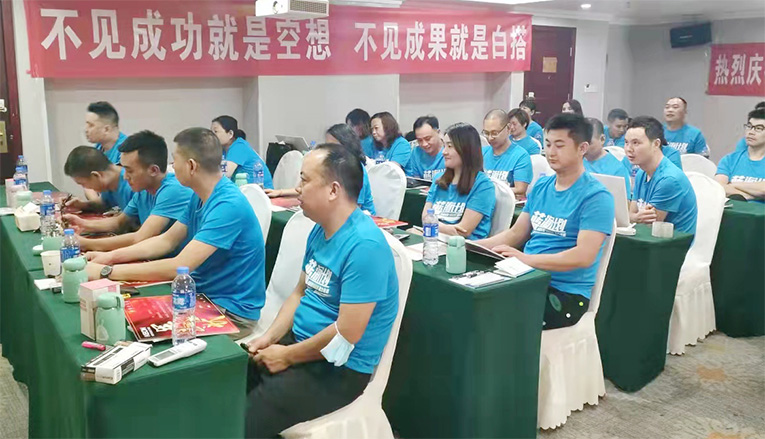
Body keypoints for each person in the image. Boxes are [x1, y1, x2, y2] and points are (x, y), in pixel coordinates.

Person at [243, 143, 398, 438]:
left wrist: (287, 356)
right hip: (301, 345)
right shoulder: (320, 228)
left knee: (245, 418)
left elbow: (346, 334)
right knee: (228, 385)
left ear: (333, 190)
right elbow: (300, 292)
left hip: (339, 368)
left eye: (305, 179)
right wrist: (268, 338)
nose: (297, 188)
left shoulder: (365, 246)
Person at [85, 128, 266, 336]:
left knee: (129, 331)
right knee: (123, 317)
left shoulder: (227, 205)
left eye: (175, 159)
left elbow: (179, 266)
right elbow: (166, 241)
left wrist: (106, 272)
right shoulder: (199, 196)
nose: (172, 165)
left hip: (229, 312)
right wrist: (109, 257)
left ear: (191, 166)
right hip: (200, 296)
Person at [476, 113, 614, 330]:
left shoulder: (596, 197)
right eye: (548, 144)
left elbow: (584, 256)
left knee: (496, 314)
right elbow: (515, 234)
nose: (551, 152)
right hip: (527, 277)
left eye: (559, 145)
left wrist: (526, 259)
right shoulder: (542, 186)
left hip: (566, 294)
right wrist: (470, 246)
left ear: (582, 148)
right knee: (476, 299)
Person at [64, 131, 194, 252]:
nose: (125, 177)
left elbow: (140, 237)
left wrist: (86, 243)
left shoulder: (173, 190)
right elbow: (118, 223)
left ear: (153, 170)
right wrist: (83, 224)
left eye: (129, 170)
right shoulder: (143, 190)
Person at [266, 124, 377, 215]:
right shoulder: (332, 165)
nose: (328, 150)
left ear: (346, 145)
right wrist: (279, 192)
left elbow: (353, 208)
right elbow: (305, 188)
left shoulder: (356, 169)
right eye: (326, 145)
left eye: (332, 146)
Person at [423, 122, 496, 240]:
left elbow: (463, 231)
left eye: (450, 146)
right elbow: (425, 218)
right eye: (444, 146)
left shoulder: (483, 185)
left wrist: (433, 226)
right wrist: (447, 229)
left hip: (463, 247)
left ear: (466, 149)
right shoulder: (438, 179)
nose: (444, 152)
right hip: (435, 241)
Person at [626, 116, 697, 234]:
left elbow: (650, 226)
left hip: (672, 242)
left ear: (656, 144)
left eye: (636, 143)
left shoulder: (669, 179)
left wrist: (634, 218)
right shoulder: (641, 173)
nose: (629, 149)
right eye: (626, 142)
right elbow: (632, 214)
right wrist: (635, 217)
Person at [715, 108, 765, 202]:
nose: (751, 132)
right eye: (749, 126)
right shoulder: (729, 160)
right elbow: (718, 187)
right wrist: (751, 195)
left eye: (758, 128)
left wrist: (733, 185)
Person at [63, 146, 134, 212]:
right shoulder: (111, 183)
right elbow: (103, 204)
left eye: (83, 184)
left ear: (96, 175)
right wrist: (82, 205)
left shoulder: (132, 185)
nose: (86, 188)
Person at [212, 115, 273, 189]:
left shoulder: (239, 146)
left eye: (215, 132)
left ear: (230, 134)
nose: (212, 136)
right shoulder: (223, 149)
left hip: (261, 191)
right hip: (244, 189)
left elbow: (225, 173)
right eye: (211, 132)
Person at [482, 109, 533, 197]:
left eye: (495, 133)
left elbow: (520, 190)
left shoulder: (520, 156)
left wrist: (487, 190)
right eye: (486, 133)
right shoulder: (482, 153)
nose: (490, 138)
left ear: (508, 129)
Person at [584, 118, 632, 198]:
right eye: (579, 143)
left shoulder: (617, 169)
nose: (583, 148)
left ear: (602, 139)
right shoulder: (574, 162)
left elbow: (623, 203)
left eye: (589, 143)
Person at [408, 115, 446, 181]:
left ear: (438, 133)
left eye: (428, 139)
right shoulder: (416, 153)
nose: (424, 144)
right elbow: (416, 181)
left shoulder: (449, 151)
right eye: (420, 140)